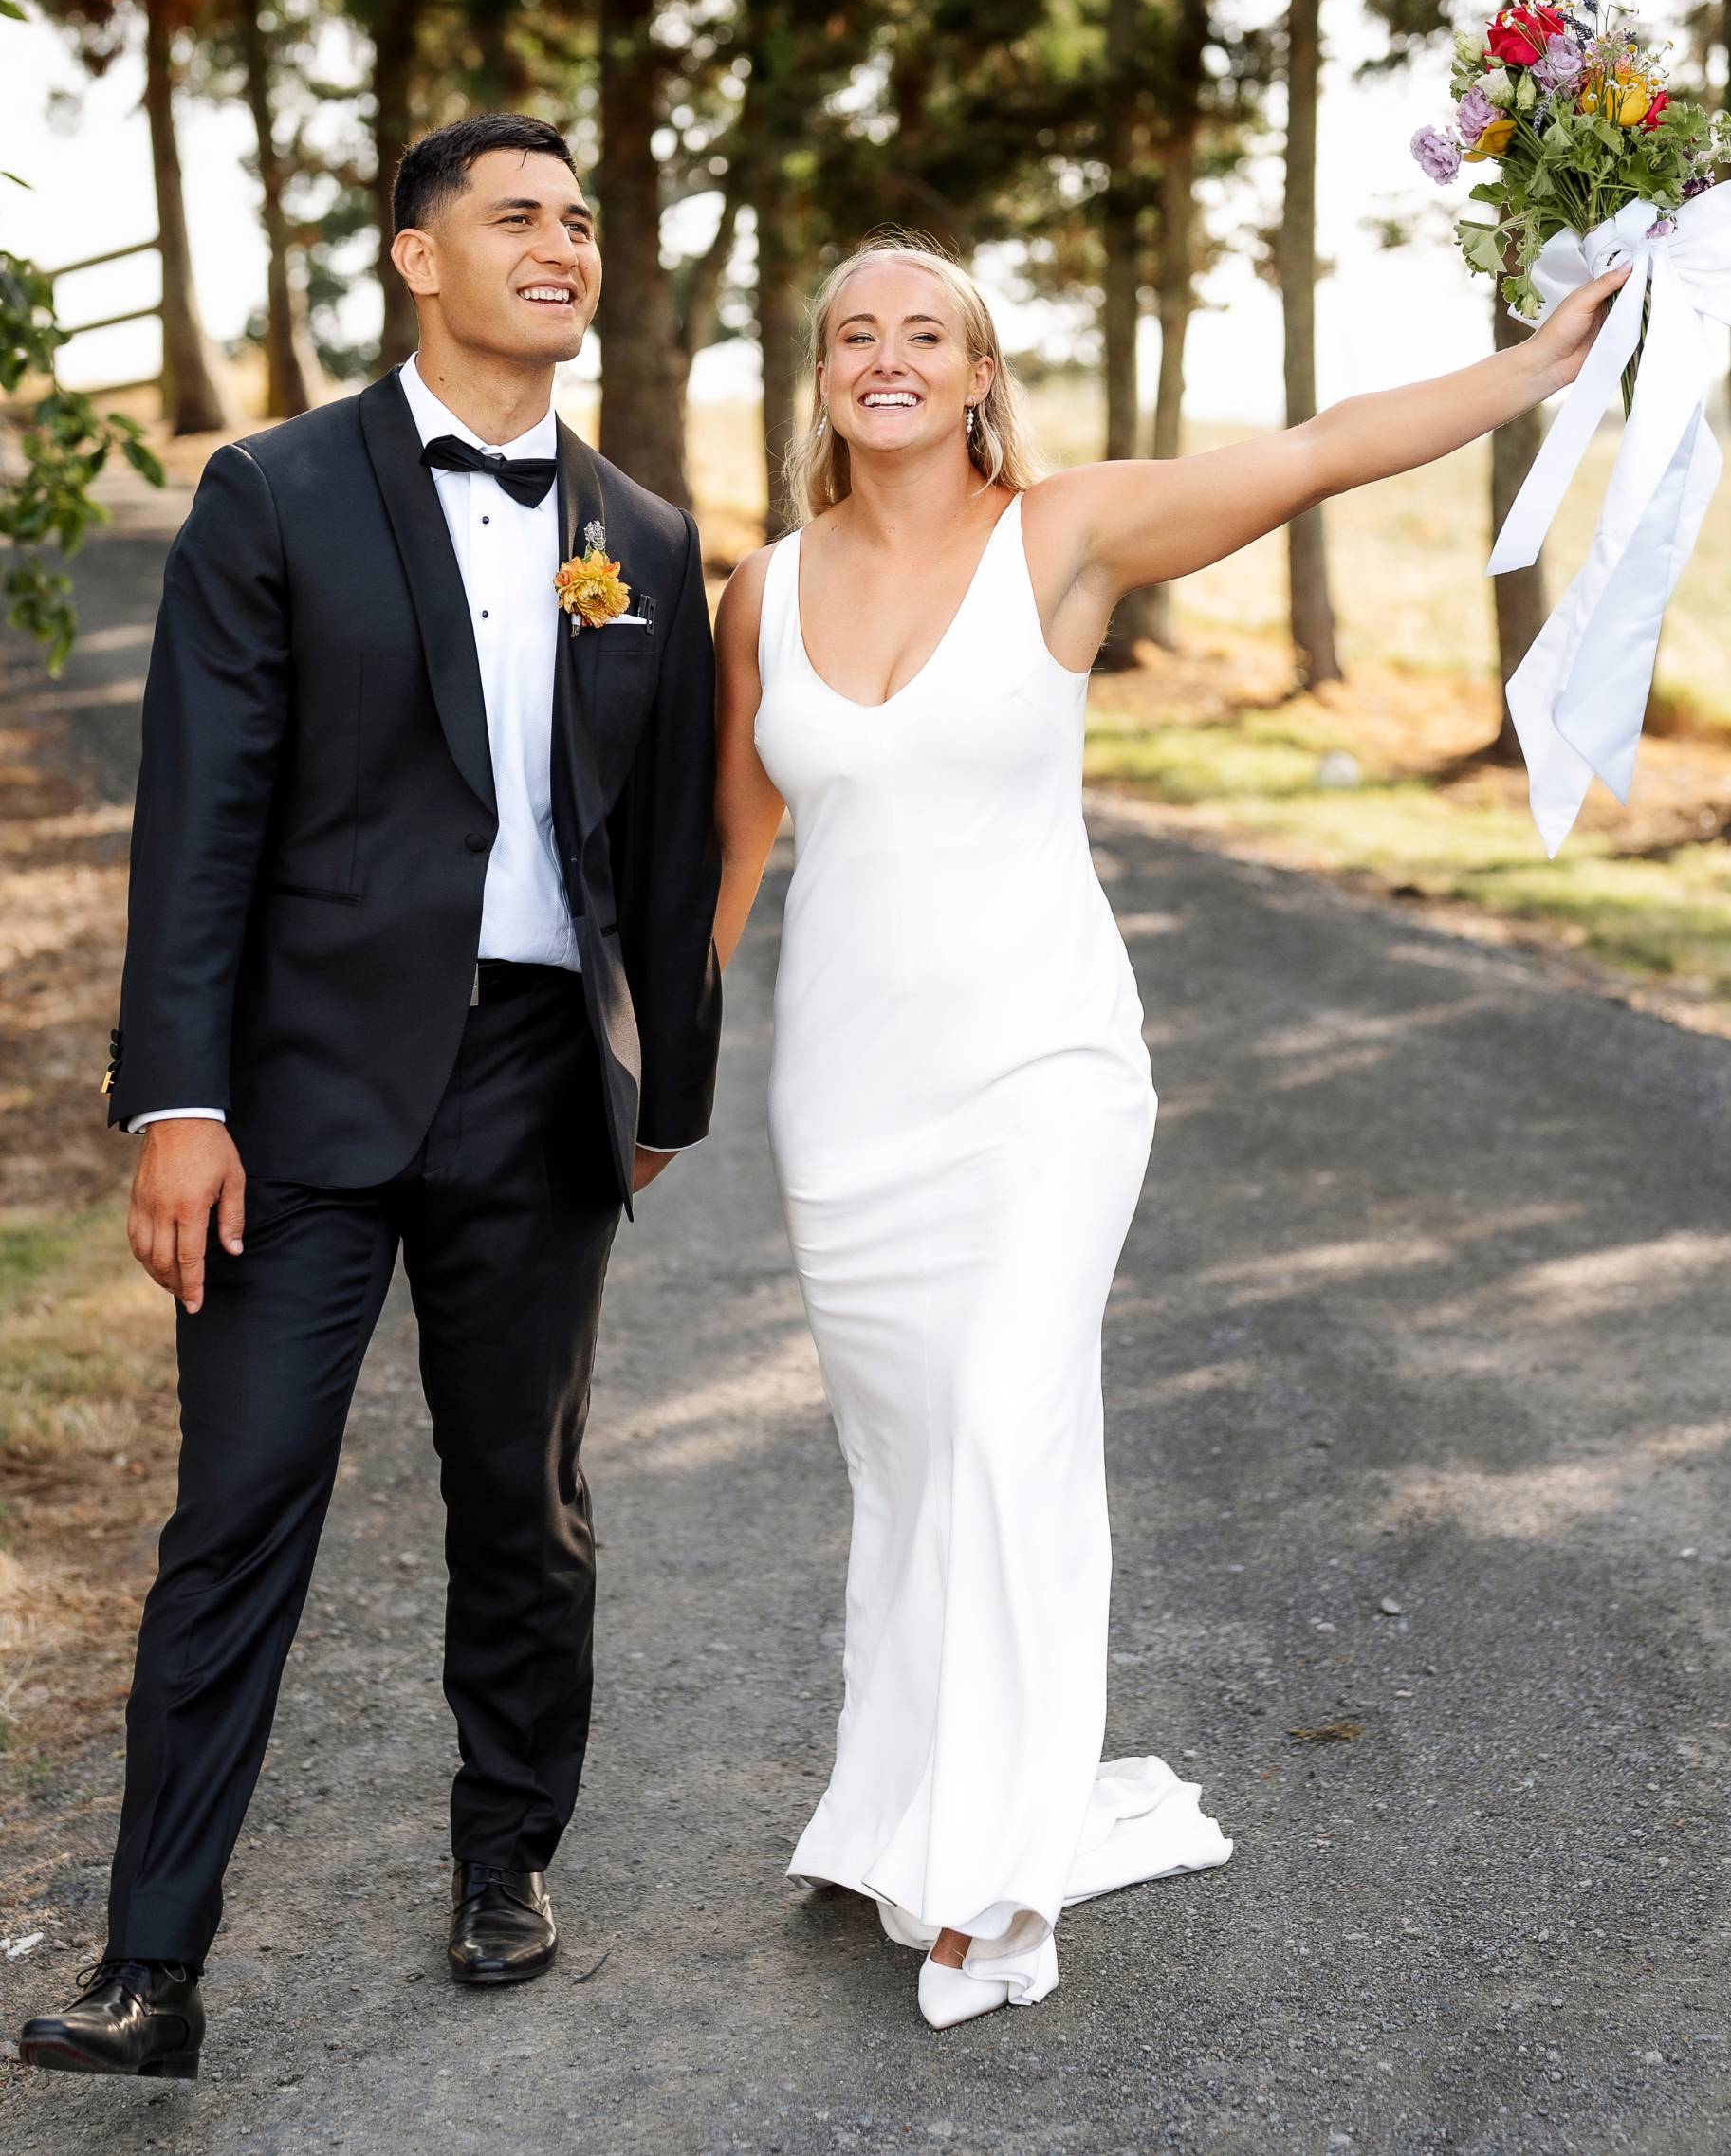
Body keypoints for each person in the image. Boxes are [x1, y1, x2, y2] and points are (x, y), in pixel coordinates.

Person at [710, 232, 1628, 2028]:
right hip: (848, 1101)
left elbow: (1313, 451)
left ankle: (990, 1876)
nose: (886, 356)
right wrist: (632, 1094)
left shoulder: (1063, 537)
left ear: (981, 374)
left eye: (927, 334)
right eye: (852, 335)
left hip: (1045, 1074)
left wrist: (1529, 369)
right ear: (820, 376)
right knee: (910, 1460)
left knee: (1001, 1421)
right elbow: (725, 868)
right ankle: (908, 1802)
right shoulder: (760, 590)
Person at [18, 114, 721, 2079]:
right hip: (294, 1095)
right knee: (236, 1513)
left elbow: (661, 844)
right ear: (419, 258)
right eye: (516, 218)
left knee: (526, 1502)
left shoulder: (646, 541)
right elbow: (201, 820)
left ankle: (508, 1851)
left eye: (579, 219)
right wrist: (175, 1099)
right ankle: (151, 1963)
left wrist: (671, 1077)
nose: (560, 245)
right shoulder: (271, 492)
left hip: (530, 1084)